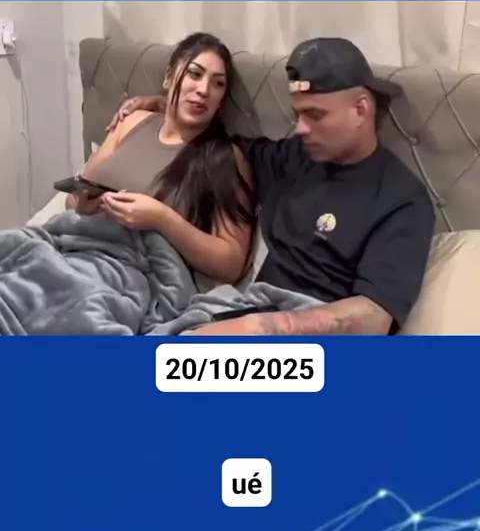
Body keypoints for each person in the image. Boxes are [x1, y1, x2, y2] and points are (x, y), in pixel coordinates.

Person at [107, 37, 435, 335]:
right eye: (298, 115)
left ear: (360, 109)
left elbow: (373, 318)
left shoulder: (402, 200)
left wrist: (267, 327)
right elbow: (219, 149)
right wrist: (168, 105)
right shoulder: (297, 156)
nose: (301, 128)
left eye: (315, 115)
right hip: (245, 309)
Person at [69, 32, 255, 286]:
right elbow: (74, 196)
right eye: (194, 74)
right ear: (168, 77)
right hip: (76, 250)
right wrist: (84, 204)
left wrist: (162, 219)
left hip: (132, 279)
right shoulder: (131, 120)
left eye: (218, 84)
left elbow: (232, 264)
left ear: (222, 100)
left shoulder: (224, 159)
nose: (204, 90)